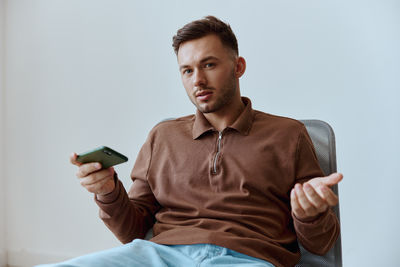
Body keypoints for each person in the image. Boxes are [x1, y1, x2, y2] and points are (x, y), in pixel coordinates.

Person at [40, 16, 343, 267]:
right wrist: (108, 192)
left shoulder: (288, 135)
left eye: (209, 65)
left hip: (247, 258)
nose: (197, 80)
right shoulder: (163, 135)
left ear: (238, 67)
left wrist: (309, 214)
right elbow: (133, 229)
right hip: (158, 256)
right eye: (187, 70)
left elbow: (321, 243)